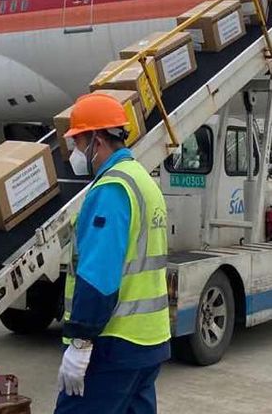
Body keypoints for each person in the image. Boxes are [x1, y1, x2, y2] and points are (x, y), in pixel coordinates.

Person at [55, 93, 170, 414]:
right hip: (148, 341)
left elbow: (98, 277)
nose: (76, 153)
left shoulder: (112, 189)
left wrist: (80, 342)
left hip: (112, 344)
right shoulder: (143, 182)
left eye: (78, 143)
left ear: (96, 140)